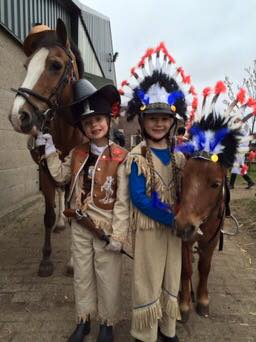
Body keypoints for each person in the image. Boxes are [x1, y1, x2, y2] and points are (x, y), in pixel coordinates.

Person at [36, 79, 129, 342]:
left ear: (108, 121)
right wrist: (51, 150)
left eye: (98, 119)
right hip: (79, 223)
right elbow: (62, 177)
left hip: (106, 227)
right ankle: (84, 319)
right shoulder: (77, 152)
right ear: (83, 128)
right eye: (88, 123)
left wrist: (119, 236)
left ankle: (107, 323)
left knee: (107, 277)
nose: (94, 126)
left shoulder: (122, 156)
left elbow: (122, 201)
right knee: (82, 275)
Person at [119, 42, 197, 342]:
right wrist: (171, 218)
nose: (159, 123)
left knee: (172, 277)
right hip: (152, 229)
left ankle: (168, 328)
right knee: (147, 280)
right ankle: (145, 332)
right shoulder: (137, 156)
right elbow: (139, 198)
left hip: (174, 231)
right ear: (143, 121)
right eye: (153, 119)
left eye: (165, 119)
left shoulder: (179, 158)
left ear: (173, 123)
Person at [229, 122, 255, 189]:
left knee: (235, 166)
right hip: (240, 150)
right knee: (240, 167)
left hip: (241, 150)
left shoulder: (243, 130)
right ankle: (250, 181)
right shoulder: (243, 129)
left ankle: (231, 184)